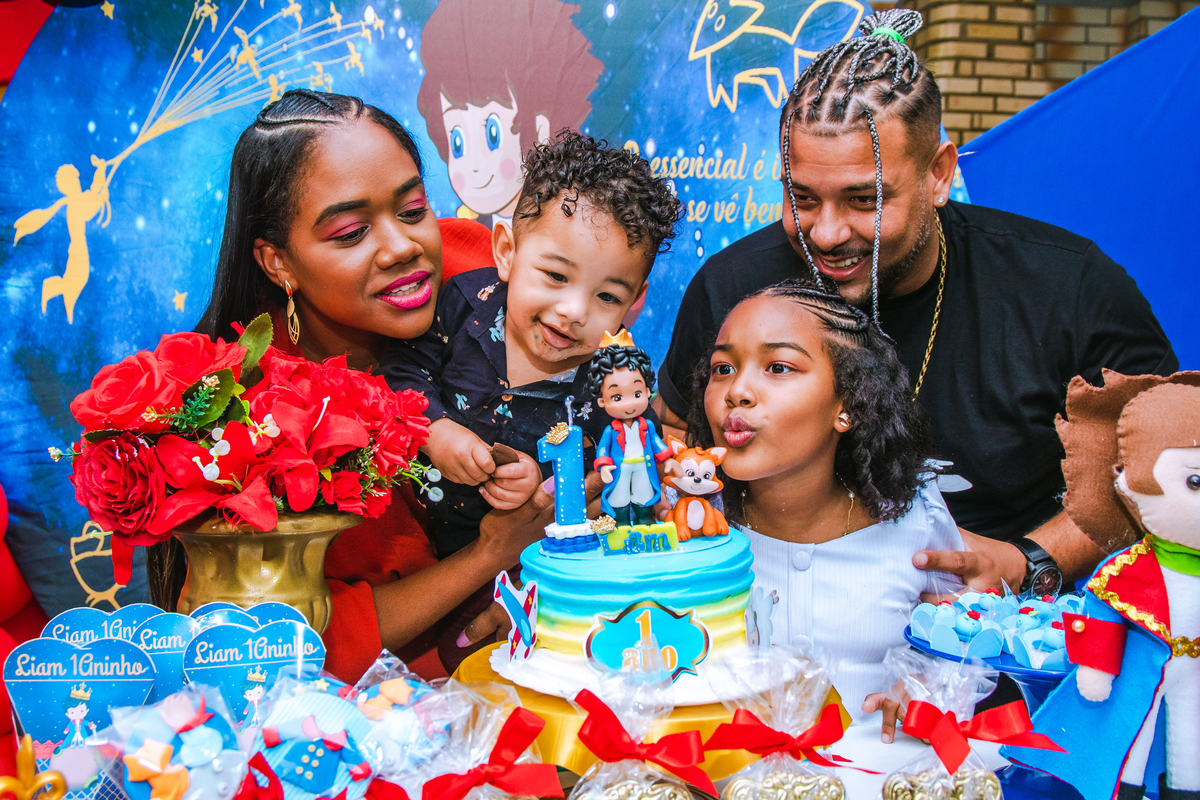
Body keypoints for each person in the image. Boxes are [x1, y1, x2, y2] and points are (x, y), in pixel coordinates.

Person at [657, 8, 1178, 596]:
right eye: (801, 197)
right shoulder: (734, 288)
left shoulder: (1067, 287)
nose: (825, 233)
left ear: (939, 174)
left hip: (1012, 629)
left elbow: (1165, 457)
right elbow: (675, 428)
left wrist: (1027, 562)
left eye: (863, 200)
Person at [146, 89, 573, 684]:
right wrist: (492, 556)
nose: (402, 247)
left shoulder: (484, 272)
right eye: (350, 233)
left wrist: (552, 577)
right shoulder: (247, 412)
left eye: (413, 209)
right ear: (278, 262)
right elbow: (289, 642)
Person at [380, 131, 680, 559]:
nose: (574, 311)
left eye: (608, 297)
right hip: (421, 548)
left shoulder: (616, 383)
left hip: (541, 564)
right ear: (507, 251)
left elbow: (626, 471)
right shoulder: (463, 303)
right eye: (556, 276)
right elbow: (399, 367)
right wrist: (435, 429)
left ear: (635, 300)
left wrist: (543, 484)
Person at [691, 281, 963, 723]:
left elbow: (964, 633)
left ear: (848, 405)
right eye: (723, 368)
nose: (736, 391)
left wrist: (924, 680)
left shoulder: (917, 517)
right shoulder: (688, 527)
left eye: (778, 367)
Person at [415, 0, 603, 228]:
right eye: (458, 142)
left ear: (540, 132)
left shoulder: (569, 226)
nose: (475, 165)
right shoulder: (466, 237)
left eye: (492, 135)